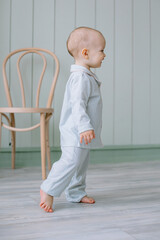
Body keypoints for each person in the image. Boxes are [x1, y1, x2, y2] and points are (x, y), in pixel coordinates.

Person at [40, 26, 106, 212]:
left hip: (83, 133)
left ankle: (76, 192)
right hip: (75, 131)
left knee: (81, 164)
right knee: (70, 161)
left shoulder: (87, 76)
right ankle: (48, 189)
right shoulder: (81, 78)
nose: (104, 55)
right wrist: (85, 126)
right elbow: (77, 105)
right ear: (85, 53)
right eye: (101, 50)